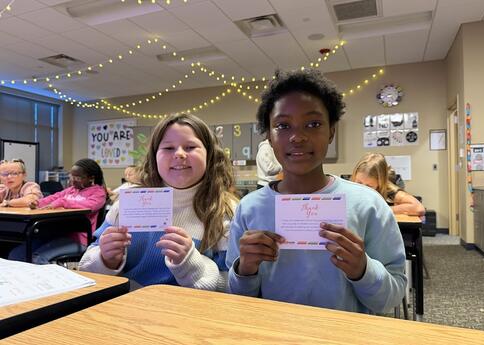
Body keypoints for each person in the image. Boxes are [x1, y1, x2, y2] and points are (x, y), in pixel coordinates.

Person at [226, 69, 406, 314]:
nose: (297, 137)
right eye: (283, 126)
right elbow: (238, 301)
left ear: (331, 130)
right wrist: (245, 269)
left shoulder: (368, 204)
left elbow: (391, 298)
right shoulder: (249, 208)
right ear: (268, 136)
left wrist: (363, 269)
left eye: (313, 124)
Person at [79, 114, 239, 290]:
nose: (179, 154)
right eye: (168, 148)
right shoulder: (129, 203)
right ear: (155, 156)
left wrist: (192, 265)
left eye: (190, 147)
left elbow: (231, 286)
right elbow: (86, 266)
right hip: (125, 307)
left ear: (209, 155)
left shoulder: (225, 211)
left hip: (188, 312)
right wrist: (105, 259)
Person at [8, 158, 107, 263]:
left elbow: (90, 206)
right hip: (56, 234)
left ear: (91, 178)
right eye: (71, 176)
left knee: (37, 258)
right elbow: (54, 197)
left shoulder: (98, 193)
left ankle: (49, 279)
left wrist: (63, 202)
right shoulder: (72, 190)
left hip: (78, 240)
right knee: (16, 254)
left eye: (77, 178)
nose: (73, 181)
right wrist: (38, 203)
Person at [351, 153, 425, 216]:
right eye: (359, 183)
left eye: (369, 186)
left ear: (380, 183)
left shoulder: (389, 190)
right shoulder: (349, 187)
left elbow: (419, 208)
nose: (363, 189)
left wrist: (383, 210)